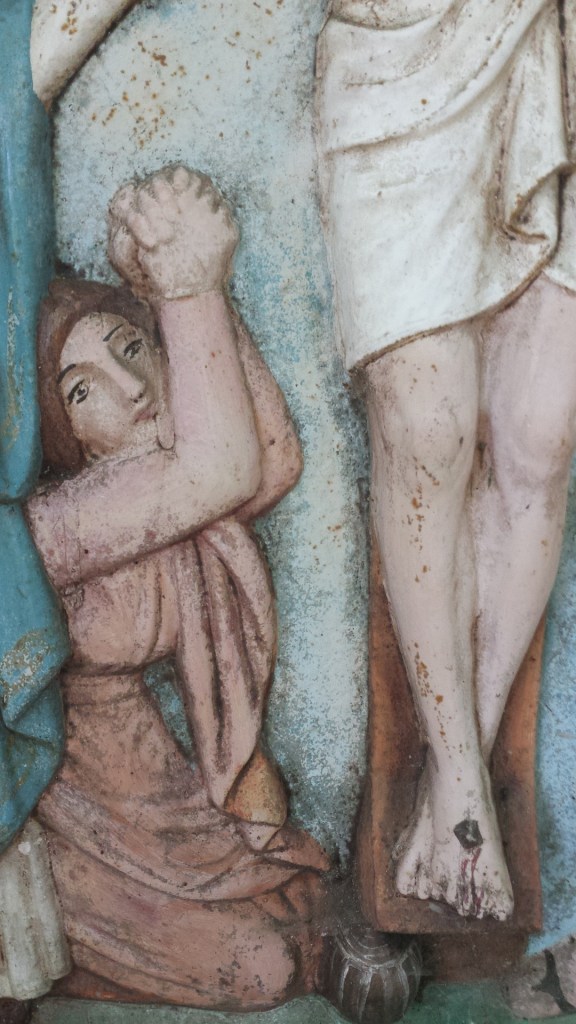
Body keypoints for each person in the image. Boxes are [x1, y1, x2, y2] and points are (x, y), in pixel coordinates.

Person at [23, 166, 328, 1007]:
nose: (132, 388)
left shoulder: (160, 489)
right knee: (264, 969)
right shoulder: (61, 523)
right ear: (63, 433)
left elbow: (270, 460)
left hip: (171, 805)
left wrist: (176, 290)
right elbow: (223, 468)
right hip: (81, 820)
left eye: (132, 347)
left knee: (302, 914)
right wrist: (189, 280)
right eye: (82, 389)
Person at [316, 0, 576, 919]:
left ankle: (457, 779)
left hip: (556, 49)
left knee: (541, 435)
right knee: (426, 430)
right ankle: (461, 781)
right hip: (397, 54)